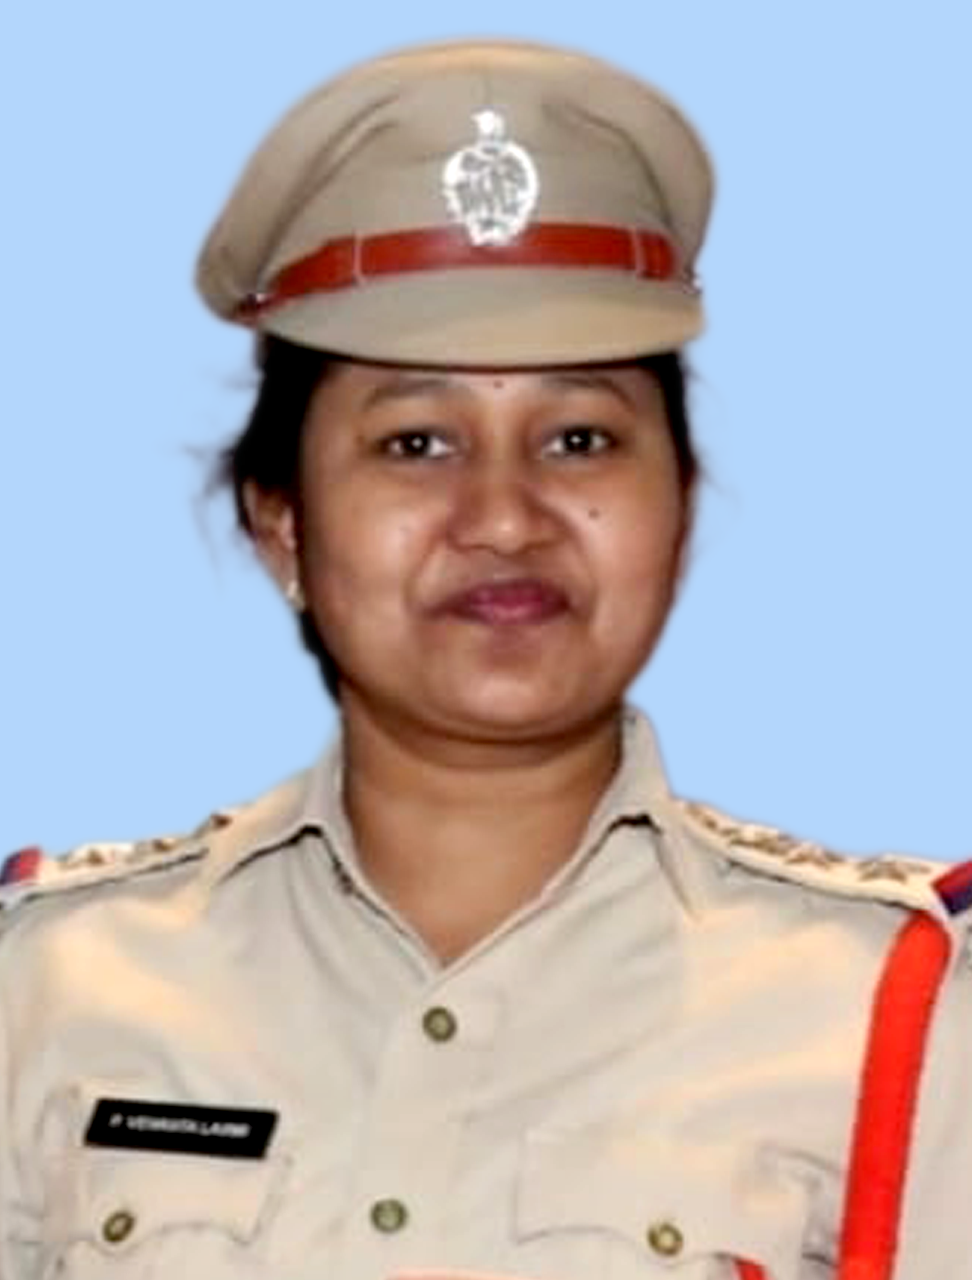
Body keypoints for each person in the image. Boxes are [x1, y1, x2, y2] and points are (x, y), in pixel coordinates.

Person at [1, 38, 969, 1280]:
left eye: (579, 438)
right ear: (282, 520)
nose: (505, 517)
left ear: (678, 506)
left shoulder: (895, 1004)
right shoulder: (53, 983)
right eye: (415, 442)